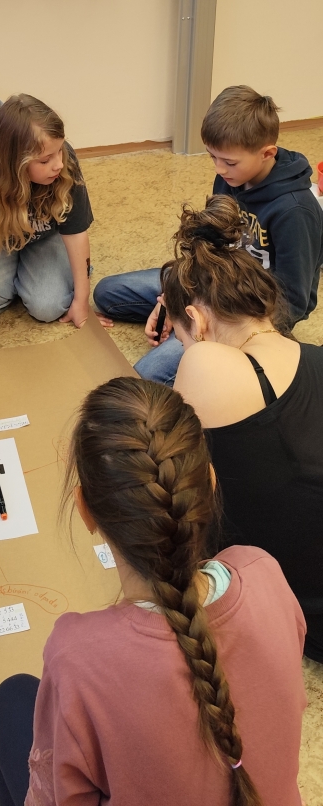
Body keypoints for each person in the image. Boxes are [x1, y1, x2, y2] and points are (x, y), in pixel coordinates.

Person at [0, 377, 305, 806]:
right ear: (210, 484)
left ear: (85, 510)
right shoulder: (263, 572)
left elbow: (57, 797)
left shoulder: (77, 656)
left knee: (13, 697)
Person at [161, 193, 323, 662]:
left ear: (196, 320)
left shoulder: (206, 363)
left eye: (181, 337)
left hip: (298, 604)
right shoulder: (312, 357)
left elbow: (173, 481)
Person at [94, 84, 323, 386]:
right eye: (213, 157)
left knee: (147, 377)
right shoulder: (230, 178)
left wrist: (206, 321)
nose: (219, 169)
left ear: (267, 153)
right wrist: (173, 298)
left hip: (245, 313)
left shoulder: (295, 211)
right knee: (107, 293)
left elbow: (294, 302)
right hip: (212, 283)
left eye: (229, 162)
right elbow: (209, 245)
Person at [0, 94, 93, 328]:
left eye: (60, 151)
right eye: (45, 160)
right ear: (13, 162)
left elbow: (76, 232)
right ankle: (19, 276)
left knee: (48, 307)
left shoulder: (66, 162)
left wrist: (81, 300)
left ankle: (29, 277)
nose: (58, 164)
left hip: (47, 236)